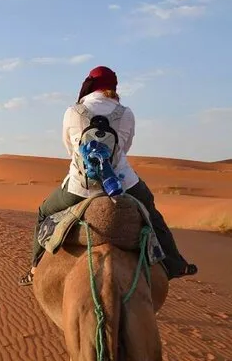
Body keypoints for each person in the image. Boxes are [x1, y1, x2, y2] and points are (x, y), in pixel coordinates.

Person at [18, 65, 198, 286]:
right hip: (123, 184)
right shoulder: (126, 114)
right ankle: (174, 263)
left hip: (80, 186)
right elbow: (125, 148)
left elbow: (70, 149)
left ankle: (35, 269)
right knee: (151, 211)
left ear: (90, 85)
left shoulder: (73, 112)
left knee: (44, 212)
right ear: (113, 87)